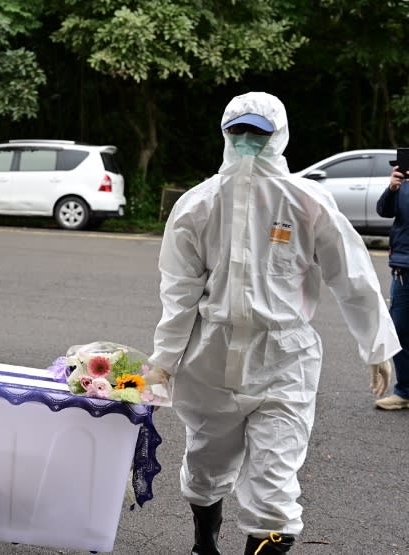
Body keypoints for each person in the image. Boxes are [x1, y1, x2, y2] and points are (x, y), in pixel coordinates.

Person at [147, 91, 400, 555]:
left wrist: (377, 345)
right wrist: (162, 363)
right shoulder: (198, 205)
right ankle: (205, 543)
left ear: (278, 136)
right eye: (238, 131)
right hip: (209, 357)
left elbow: (353, 275)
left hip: (284, 359)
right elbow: (178, 292)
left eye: (257, 134)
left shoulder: (307, 202)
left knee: (274, 489)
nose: (247, 142)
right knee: (205, 467)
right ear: (225, 133)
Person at [375, 165, 409, 409]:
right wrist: (392, 188)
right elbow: (383, 210)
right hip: (403, 270)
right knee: (398, 331)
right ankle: (405, 392)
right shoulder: (403, 185)